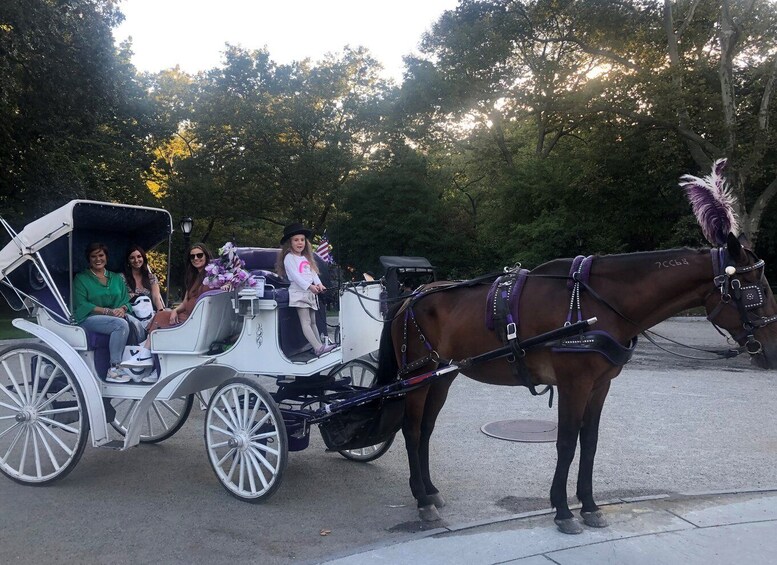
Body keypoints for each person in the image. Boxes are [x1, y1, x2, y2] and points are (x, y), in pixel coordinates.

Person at [122, 243, 213, 381]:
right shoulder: (193, 277)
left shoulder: (212, 277)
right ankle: (151, 360)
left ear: (206, 256)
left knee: (160, 316)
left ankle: (145, 354)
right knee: (162, 317)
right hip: (132, 311)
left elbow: (156, 297)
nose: (195, 258)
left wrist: (162, 311)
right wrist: (175, 311)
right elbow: (185, 302)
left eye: (199, 255)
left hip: (194, 317)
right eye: (192, 256)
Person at [73, 243, 136, 383]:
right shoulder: (81, 279)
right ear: (88, 259)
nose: (97, 259)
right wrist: (107, 311)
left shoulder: (116, 278)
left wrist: (122, 309)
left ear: (106, 258)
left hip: (114, 316)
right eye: (93, 256)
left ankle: (136, 362)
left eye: (101, 255)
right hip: (89, 318)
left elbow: (125, 300)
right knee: (120, 325)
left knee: (137, 323)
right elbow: (82, 304)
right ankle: (114, 368)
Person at [276, 223, 335, 356]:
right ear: (290, 243)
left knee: (313, 322)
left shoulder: (305, 258)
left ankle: (319, 345)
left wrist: (319, 284)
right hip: (298, 292)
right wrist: (309, 286)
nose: (300, 243)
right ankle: (318, 347)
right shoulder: (289, 258)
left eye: (302, 240)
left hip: (309, 293)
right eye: (296, 240)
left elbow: (312, 273)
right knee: (306, 322)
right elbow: (296, 277)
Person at [121, 245, 166, 314]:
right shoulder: (121, 278)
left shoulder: (151, 277)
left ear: (143, 258)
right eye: (132, 258)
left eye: (139, 256)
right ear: (128, 261)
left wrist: (161, 311)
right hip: (129, 314)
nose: (136, 260)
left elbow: (156, 297)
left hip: (148, 313)